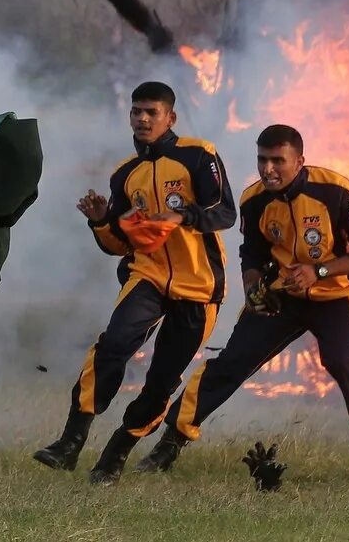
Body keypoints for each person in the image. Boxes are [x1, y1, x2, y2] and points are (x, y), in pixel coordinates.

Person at [135, 124, 349, 483]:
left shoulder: (335, 191)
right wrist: (252, 285)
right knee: (230, 363)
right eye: (263, 160)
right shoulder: (254, 199)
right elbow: (252, 253)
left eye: (279, 161)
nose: (269, 169)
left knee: (342, 362)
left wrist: (318, 270)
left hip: (337, 296)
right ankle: (169, 445)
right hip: (282, 295)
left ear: (300, 161)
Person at [33, 81, 236, 486]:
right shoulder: (125, 174)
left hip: (199, 287)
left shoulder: (199, 155)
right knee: (112, 347)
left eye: (151, 112)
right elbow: (118, 244)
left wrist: (183, 217)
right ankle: (70, 442)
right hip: (147, 276)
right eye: (136, 111)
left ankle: (117, 452)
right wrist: (100, 220)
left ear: (170, 117)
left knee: (162, 380)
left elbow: (224, 212)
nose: (142, 119)